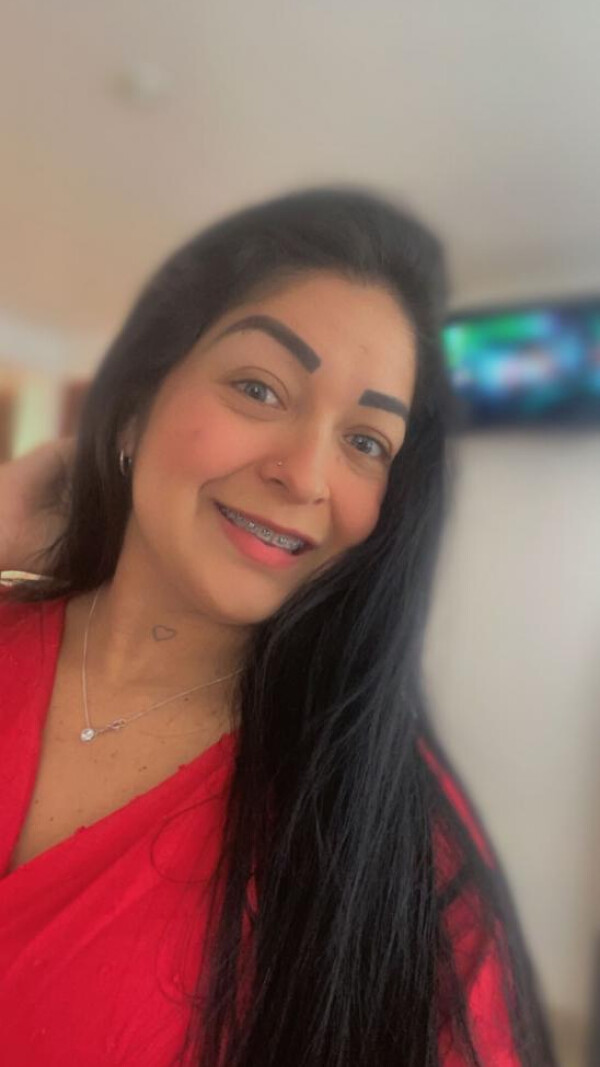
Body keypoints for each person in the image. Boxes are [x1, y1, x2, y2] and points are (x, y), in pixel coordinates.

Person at [0, 187, 556, 1066]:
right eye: (260, 388)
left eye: (366, 442)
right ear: (137, 403)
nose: (304, 475)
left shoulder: (400, 850)